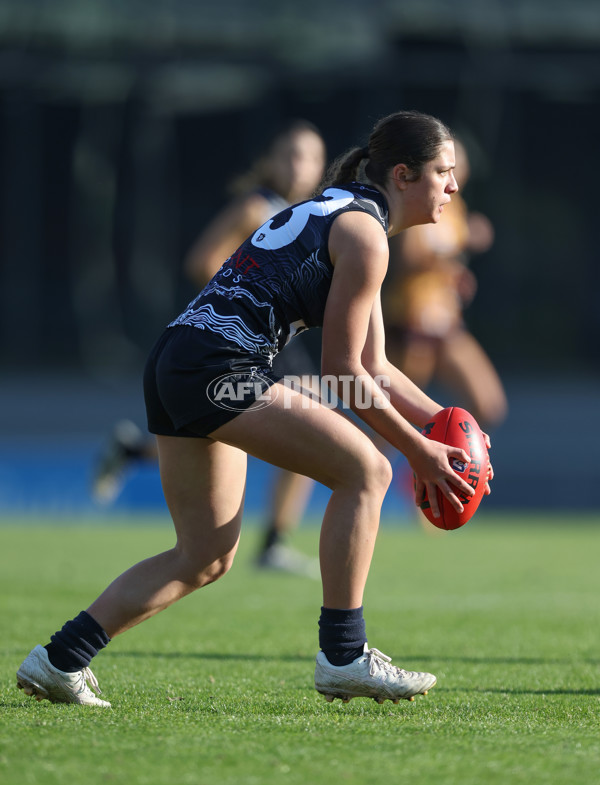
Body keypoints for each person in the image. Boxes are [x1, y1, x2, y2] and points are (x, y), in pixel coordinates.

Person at [17, 110, 493, 708]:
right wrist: (418, 451)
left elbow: (376, 368)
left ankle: (60, 659)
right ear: (403, 174)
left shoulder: (349, 212)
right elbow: (342, 374)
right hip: (218, 368)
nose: (454, 186)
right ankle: (344, 655)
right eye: (444, 172)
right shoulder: (366, 235)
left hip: (178, 359)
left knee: (204, 556)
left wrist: (444, 426)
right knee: (367, 472)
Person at [92, 120, 327, 577]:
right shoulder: (257, 207)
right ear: (271, 162)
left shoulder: (303, 213)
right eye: (290, 155)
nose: (300, 165)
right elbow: (202, 260)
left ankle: (136, 452)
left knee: (285, 424)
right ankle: (274, 543)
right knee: (309, 419)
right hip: (244, 337)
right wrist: (248, 300)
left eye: (310, 157)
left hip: (275, 340)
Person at [383, 139, 508, 430]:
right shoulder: (417, 202)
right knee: (393, 423)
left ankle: (438, 469)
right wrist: (461, 244)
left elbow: (444, 260)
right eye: (446, 166)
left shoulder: (456, 207)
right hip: (410, 323)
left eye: (458, 165)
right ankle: (377, 471)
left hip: (445, 321)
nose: (454, 174)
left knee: (487, 405)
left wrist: (456, 276)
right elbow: (408, 258)